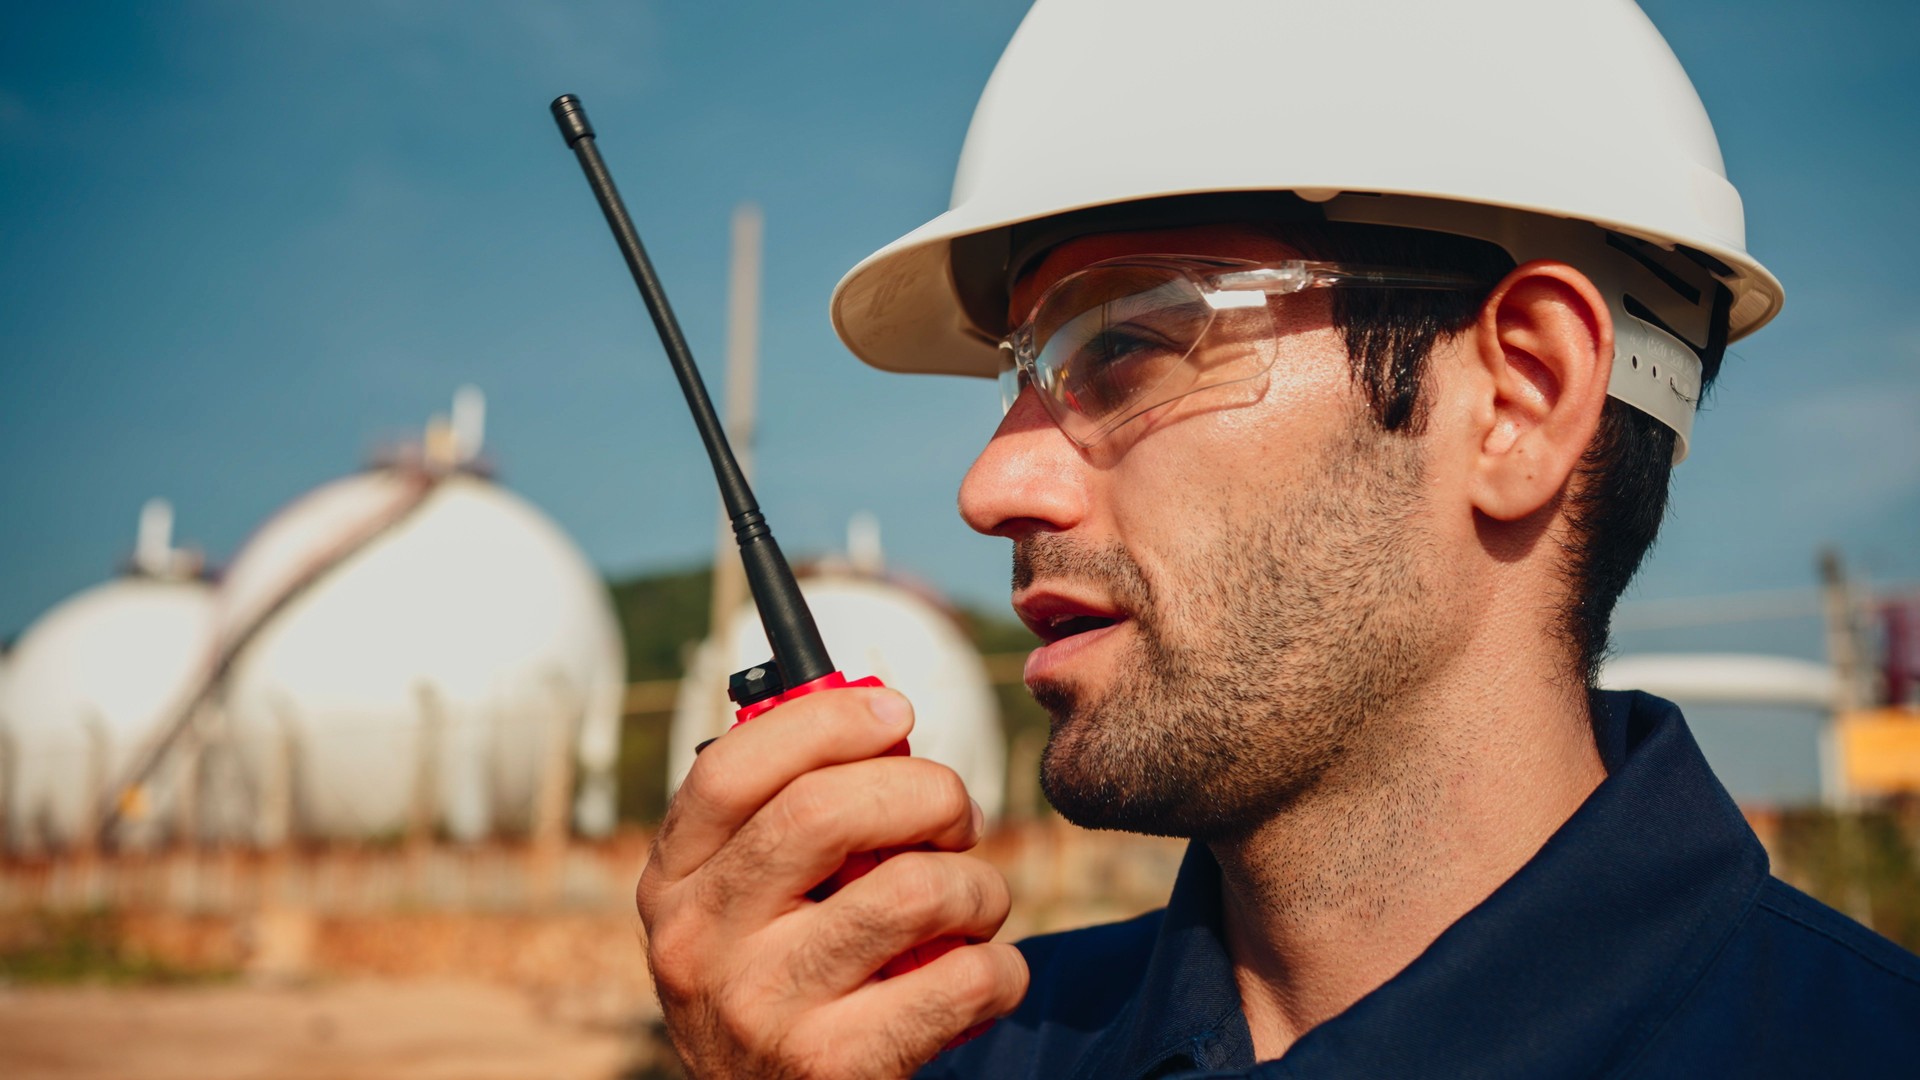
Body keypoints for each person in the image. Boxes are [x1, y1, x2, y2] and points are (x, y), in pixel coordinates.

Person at [636, 1, 1920, 1076]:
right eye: (1021, 375)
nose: (994, 484)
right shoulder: (946, 1051)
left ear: (1518, 397)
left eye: (1124, 345)